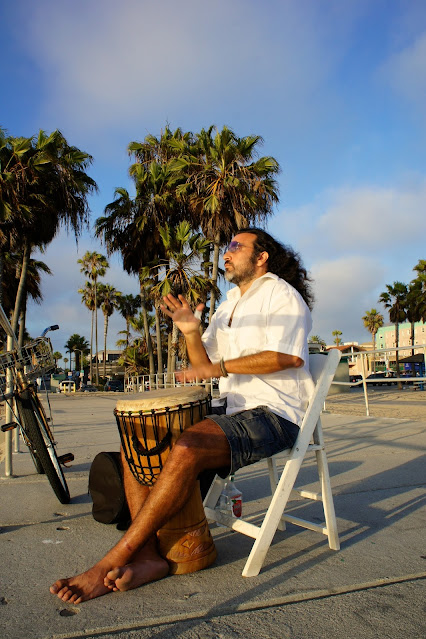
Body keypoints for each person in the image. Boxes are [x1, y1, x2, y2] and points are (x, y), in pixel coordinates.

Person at [50, 228, 314, 604]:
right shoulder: (230, 303)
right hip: (235, 411)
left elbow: (287, 358)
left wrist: (217, 368)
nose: (227, 253)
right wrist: (191, 330)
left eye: (236, 246)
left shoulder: (281, 295)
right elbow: (201, 362)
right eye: (227, 247)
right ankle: (147, 558)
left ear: (261, 257)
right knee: (140, 437)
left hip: (276, 416)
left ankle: (116, 557)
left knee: (188, 446)